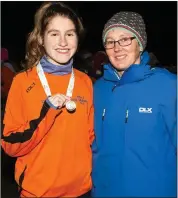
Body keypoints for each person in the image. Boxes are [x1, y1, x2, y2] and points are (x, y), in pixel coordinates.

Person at [1, 2, 94, 197]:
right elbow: (10, 145)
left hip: (80, 191)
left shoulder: (85, 81)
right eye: (54, 34)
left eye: (70, 34)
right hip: (38, 192)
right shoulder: (22, 82)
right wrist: (47, 112)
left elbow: (90, 137)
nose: (63, 42)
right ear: (41, 39)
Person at [92, 11, 176, 197]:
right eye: (110, 41)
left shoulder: (168, 85)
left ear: (140, 43)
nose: (117, 47)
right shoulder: (98, 89)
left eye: (125, 39)